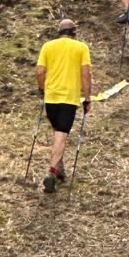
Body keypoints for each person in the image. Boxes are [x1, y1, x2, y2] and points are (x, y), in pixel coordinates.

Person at [35, 18, 93, 194]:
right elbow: (86, 74)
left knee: (57, 134)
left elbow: (39, 71)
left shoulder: (48, 46)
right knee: (61, 136)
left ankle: (60, 169)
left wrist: (42, 88)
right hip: (69, 99)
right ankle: (51, 173)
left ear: (59, 32)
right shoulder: (81, 47)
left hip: (51, 98)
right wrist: (87, 98)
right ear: (74, 33)